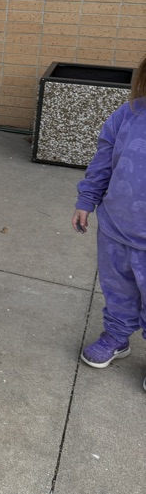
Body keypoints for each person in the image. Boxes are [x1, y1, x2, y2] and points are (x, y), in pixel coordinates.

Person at [72, 53, 146, 386]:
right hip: (116, 230)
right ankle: (117, 336)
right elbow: (103, 162)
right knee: (117, 290)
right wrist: (86, 200)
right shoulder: (128, 115)